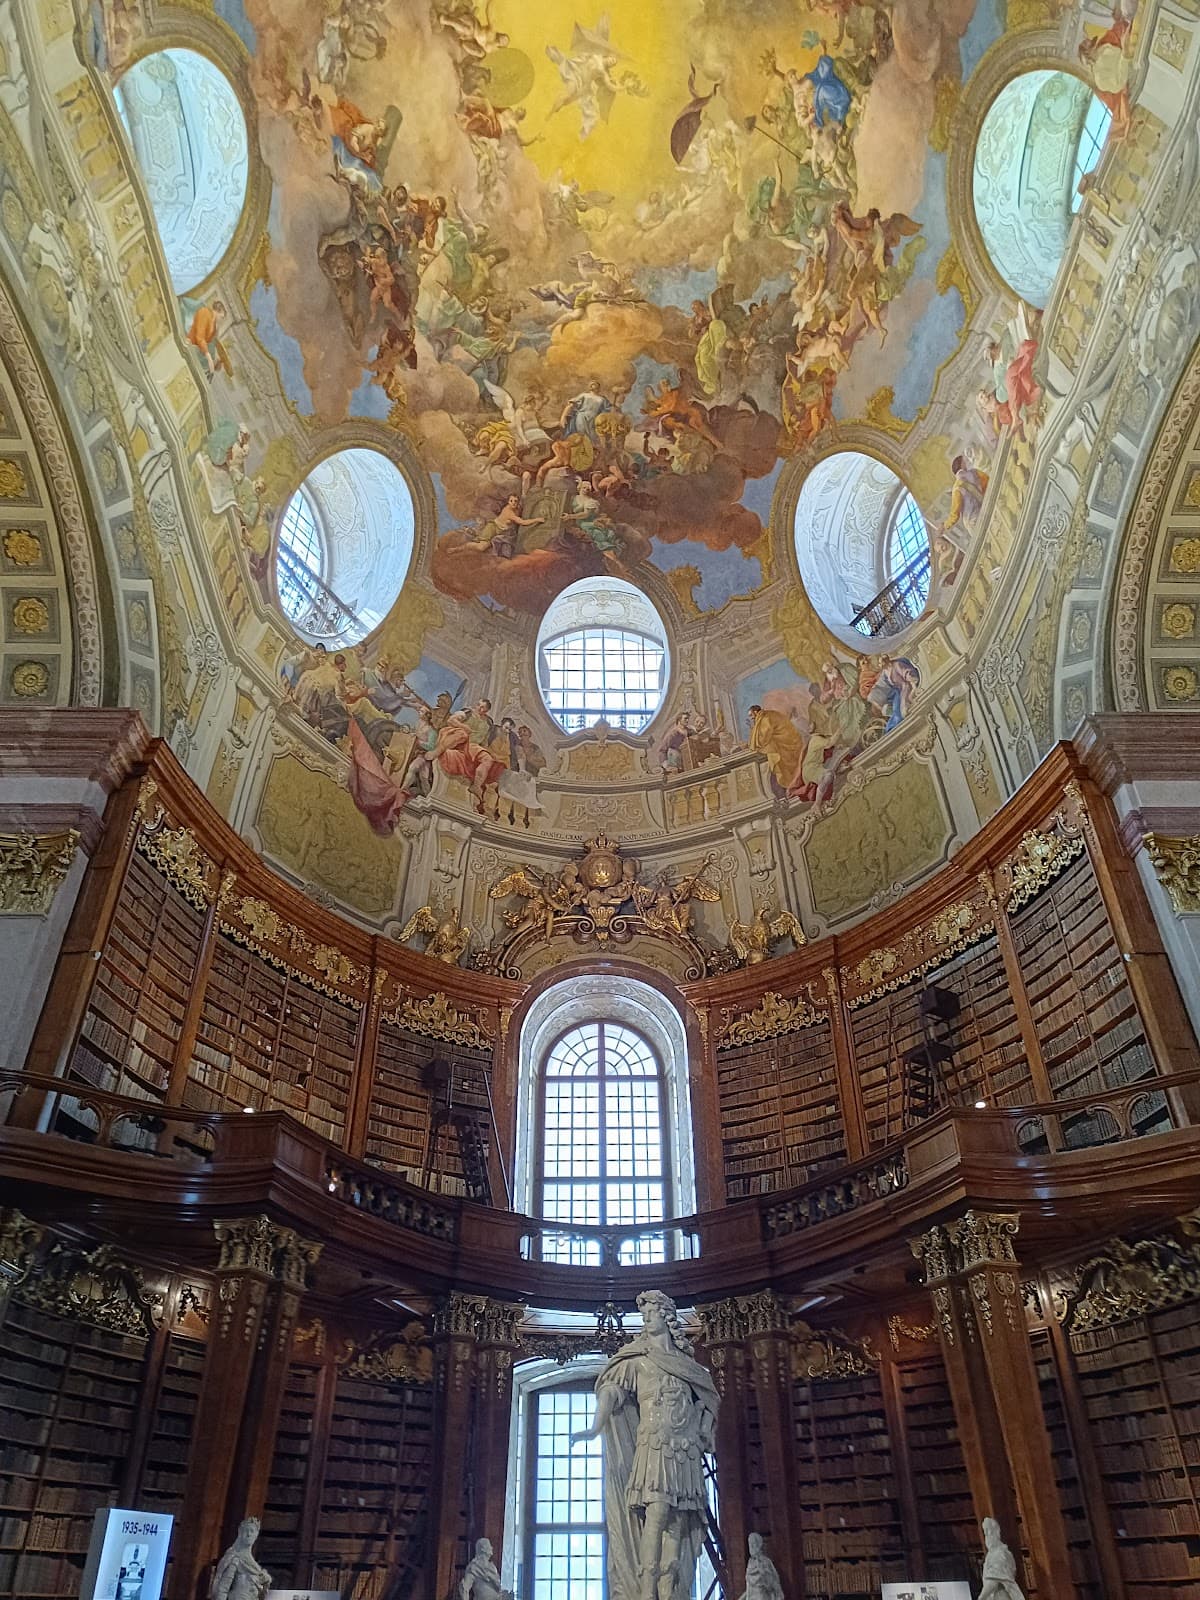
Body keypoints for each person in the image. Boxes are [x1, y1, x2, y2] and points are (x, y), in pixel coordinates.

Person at [572, 1289, 719, 1600]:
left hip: (685, 1448)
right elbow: (611, 1389)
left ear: (666, 1317)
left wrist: (704, 1429)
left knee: (678, 1520)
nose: (647, 1318)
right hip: (653, 1443)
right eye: (645, 1314)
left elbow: (709, 1400)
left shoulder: (685, 1363)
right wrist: (595, 1426)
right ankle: (646, 1592)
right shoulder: (637, 1358)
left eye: (652, 1312)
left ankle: (669, 1592)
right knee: (656, 1513)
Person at [748, 703, 803, 793]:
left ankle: (792, 787)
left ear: (755, 712)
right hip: (789, 741)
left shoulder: (765, 718)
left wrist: (755, 744)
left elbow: (764, 737)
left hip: (785, 744)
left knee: (781, 766)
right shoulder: (769, 714)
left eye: (751, 715)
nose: (751, 718)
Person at [210, 1518, 271, 1600]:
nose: (249, 1534)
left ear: (256, 1535)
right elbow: (223, 1589)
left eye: (252, 1531)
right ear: (240, 1533)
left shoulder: (255, 1565)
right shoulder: (234, 1558)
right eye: (246, 1531)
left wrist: (265, 1581)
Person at [978, 1517, 1025, 1600]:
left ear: (995, 1533)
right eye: (985, 1534)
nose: (987, 1537)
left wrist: (981, 1597)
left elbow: (993, 1581)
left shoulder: (1000, 1554)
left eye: (988, 1533)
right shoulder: (992, 1554)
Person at [737, 1533, 784, 1600]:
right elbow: (750, 1589)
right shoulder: (750, 1563)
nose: (751, 1547)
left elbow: (772, 1583)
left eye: (753, 1544)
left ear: (759, 1545)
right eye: (750, 1544)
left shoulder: (765, 1562)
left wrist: (763, 1572)